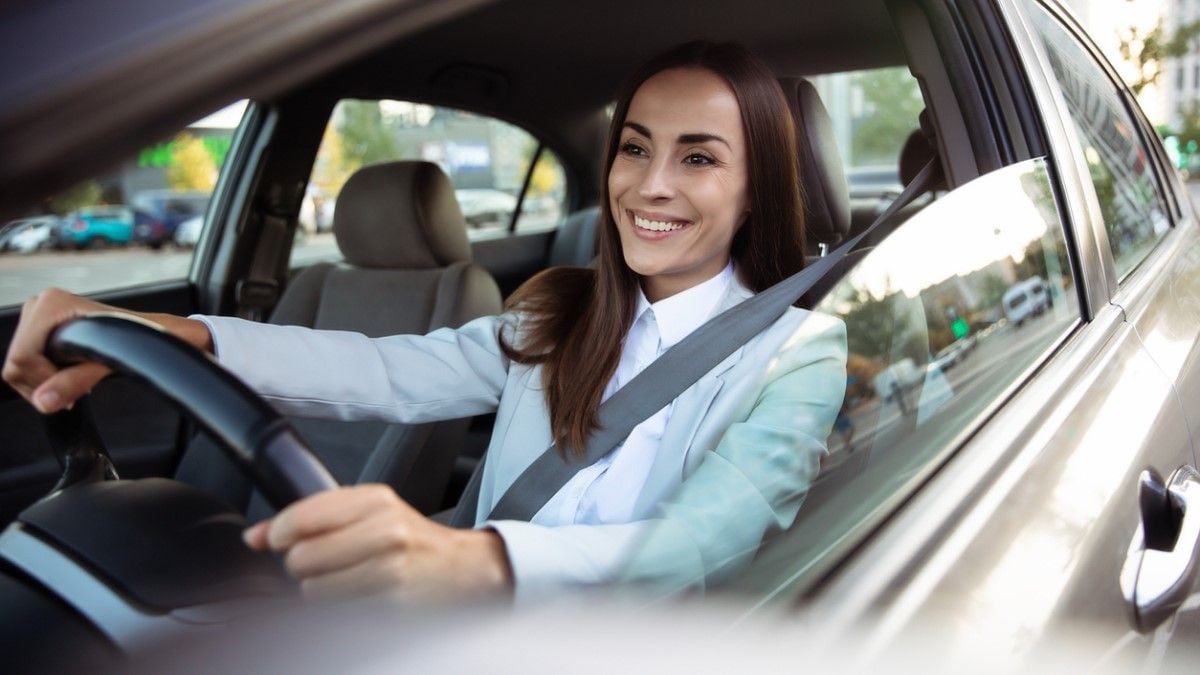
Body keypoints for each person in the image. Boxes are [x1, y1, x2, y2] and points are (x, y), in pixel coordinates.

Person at [2, 42, 847, 603]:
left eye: (698, 157)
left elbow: (707, 543)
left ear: (756, 190)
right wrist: (184, 335)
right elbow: (384, 371)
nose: (649, 185)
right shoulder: (562, 313)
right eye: (634, 146)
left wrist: (471, 560)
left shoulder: (799, 351)